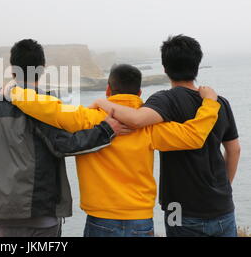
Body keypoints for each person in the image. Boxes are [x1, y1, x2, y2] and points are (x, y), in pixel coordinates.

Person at [9, 63, 221, 237]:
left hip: (101, 220)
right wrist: (210, 104)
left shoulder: (87, 118)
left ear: (108, 90)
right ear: (138, 92)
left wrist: (13, 91)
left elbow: (48, 108)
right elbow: (194, 136)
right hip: (140, 220)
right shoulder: (148, 127)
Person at [0, 39, 124, 237]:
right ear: (41, 70)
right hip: (40, 213)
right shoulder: (43, 105)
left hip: (2, 214)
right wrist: (106, 130)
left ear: (12, 70)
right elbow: (66, 145)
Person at [91, 35, 241, 237]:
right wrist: (224, 189)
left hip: (178, 208)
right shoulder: (219, 102)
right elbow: (234, 150)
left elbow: (135, 120)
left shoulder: (165, 100)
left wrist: (102, 102)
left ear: (165, 68)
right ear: (196, 65)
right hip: (222, 207)